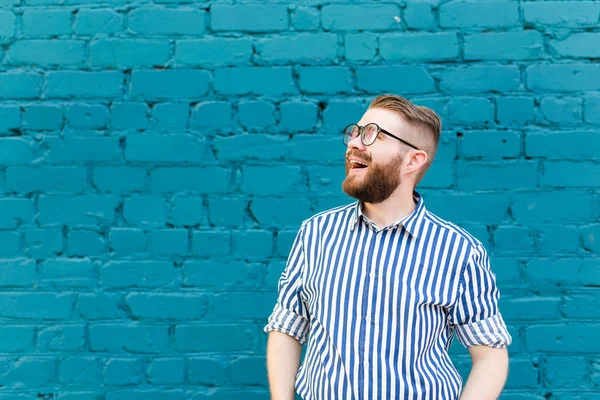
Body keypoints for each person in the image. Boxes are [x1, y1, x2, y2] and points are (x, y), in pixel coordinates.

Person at [264, 94, 511, 400]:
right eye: (355, 132)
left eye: (372, 135)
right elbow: (287, 327)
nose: (354, 142)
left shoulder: (458, 251)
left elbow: (490, 355)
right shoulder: (316, 233)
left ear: (413, 160)